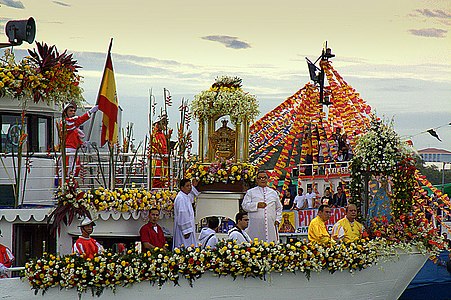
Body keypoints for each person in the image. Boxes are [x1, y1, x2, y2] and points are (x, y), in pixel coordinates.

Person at [242, 170, 282, 243]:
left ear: (267, 179)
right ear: (256, 180)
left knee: (271, 244)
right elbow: (244, 206)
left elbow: (279, 208)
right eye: (260, 178)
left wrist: (277, 219)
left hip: (270, 224)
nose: (262, 179)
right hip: (255, 225)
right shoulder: (250, 192)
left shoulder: (273, 193)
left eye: (264, 178)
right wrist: (256, 205)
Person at [62, 102, 98, 177]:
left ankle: (71, 186)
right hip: (68, 150)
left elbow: (75, 139)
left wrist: (83, 144)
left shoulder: (73, 125)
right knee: (69, 170)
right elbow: (78, 121)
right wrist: (89, 112)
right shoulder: (65, 123)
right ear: (66, 112)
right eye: (70, 111)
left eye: (74, 111)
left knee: (75, 169)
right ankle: (66, 185)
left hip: (74, 150)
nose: (73, 112)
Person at [173, 178, 200, 249]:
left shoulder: (185, 196)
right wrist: (186, 230)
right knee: (184, 247)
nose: (190, 188)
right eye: (187, 186)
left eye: (190, 185)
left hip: (188, 228)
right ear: (182, 188)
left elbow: (196, 194)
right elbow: (182, 214)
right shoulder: (181, 198)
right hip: (184, 230)